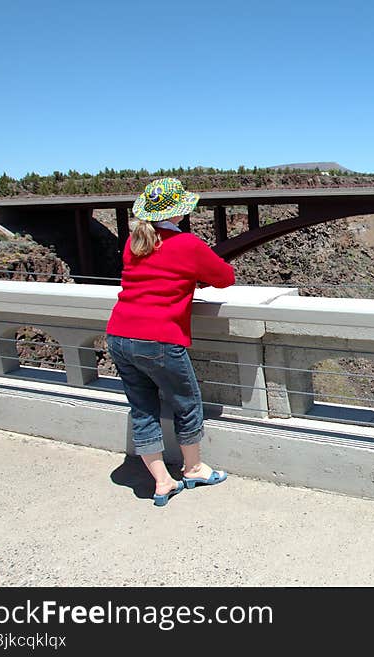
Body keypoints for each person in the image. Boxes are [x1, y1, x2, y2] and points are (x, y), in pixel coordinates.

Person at [106, 177, 235, 506]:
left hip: (119, 335)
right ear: (178, 212)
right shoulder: (187, 245)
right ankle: (193, 468)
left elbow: (153, 275)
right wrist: (196, 278)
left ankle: (162, 481)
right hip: (158, 338)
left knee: (142, 409)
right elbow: (225, 277)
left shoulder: (134, 241)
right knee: (186, 403)